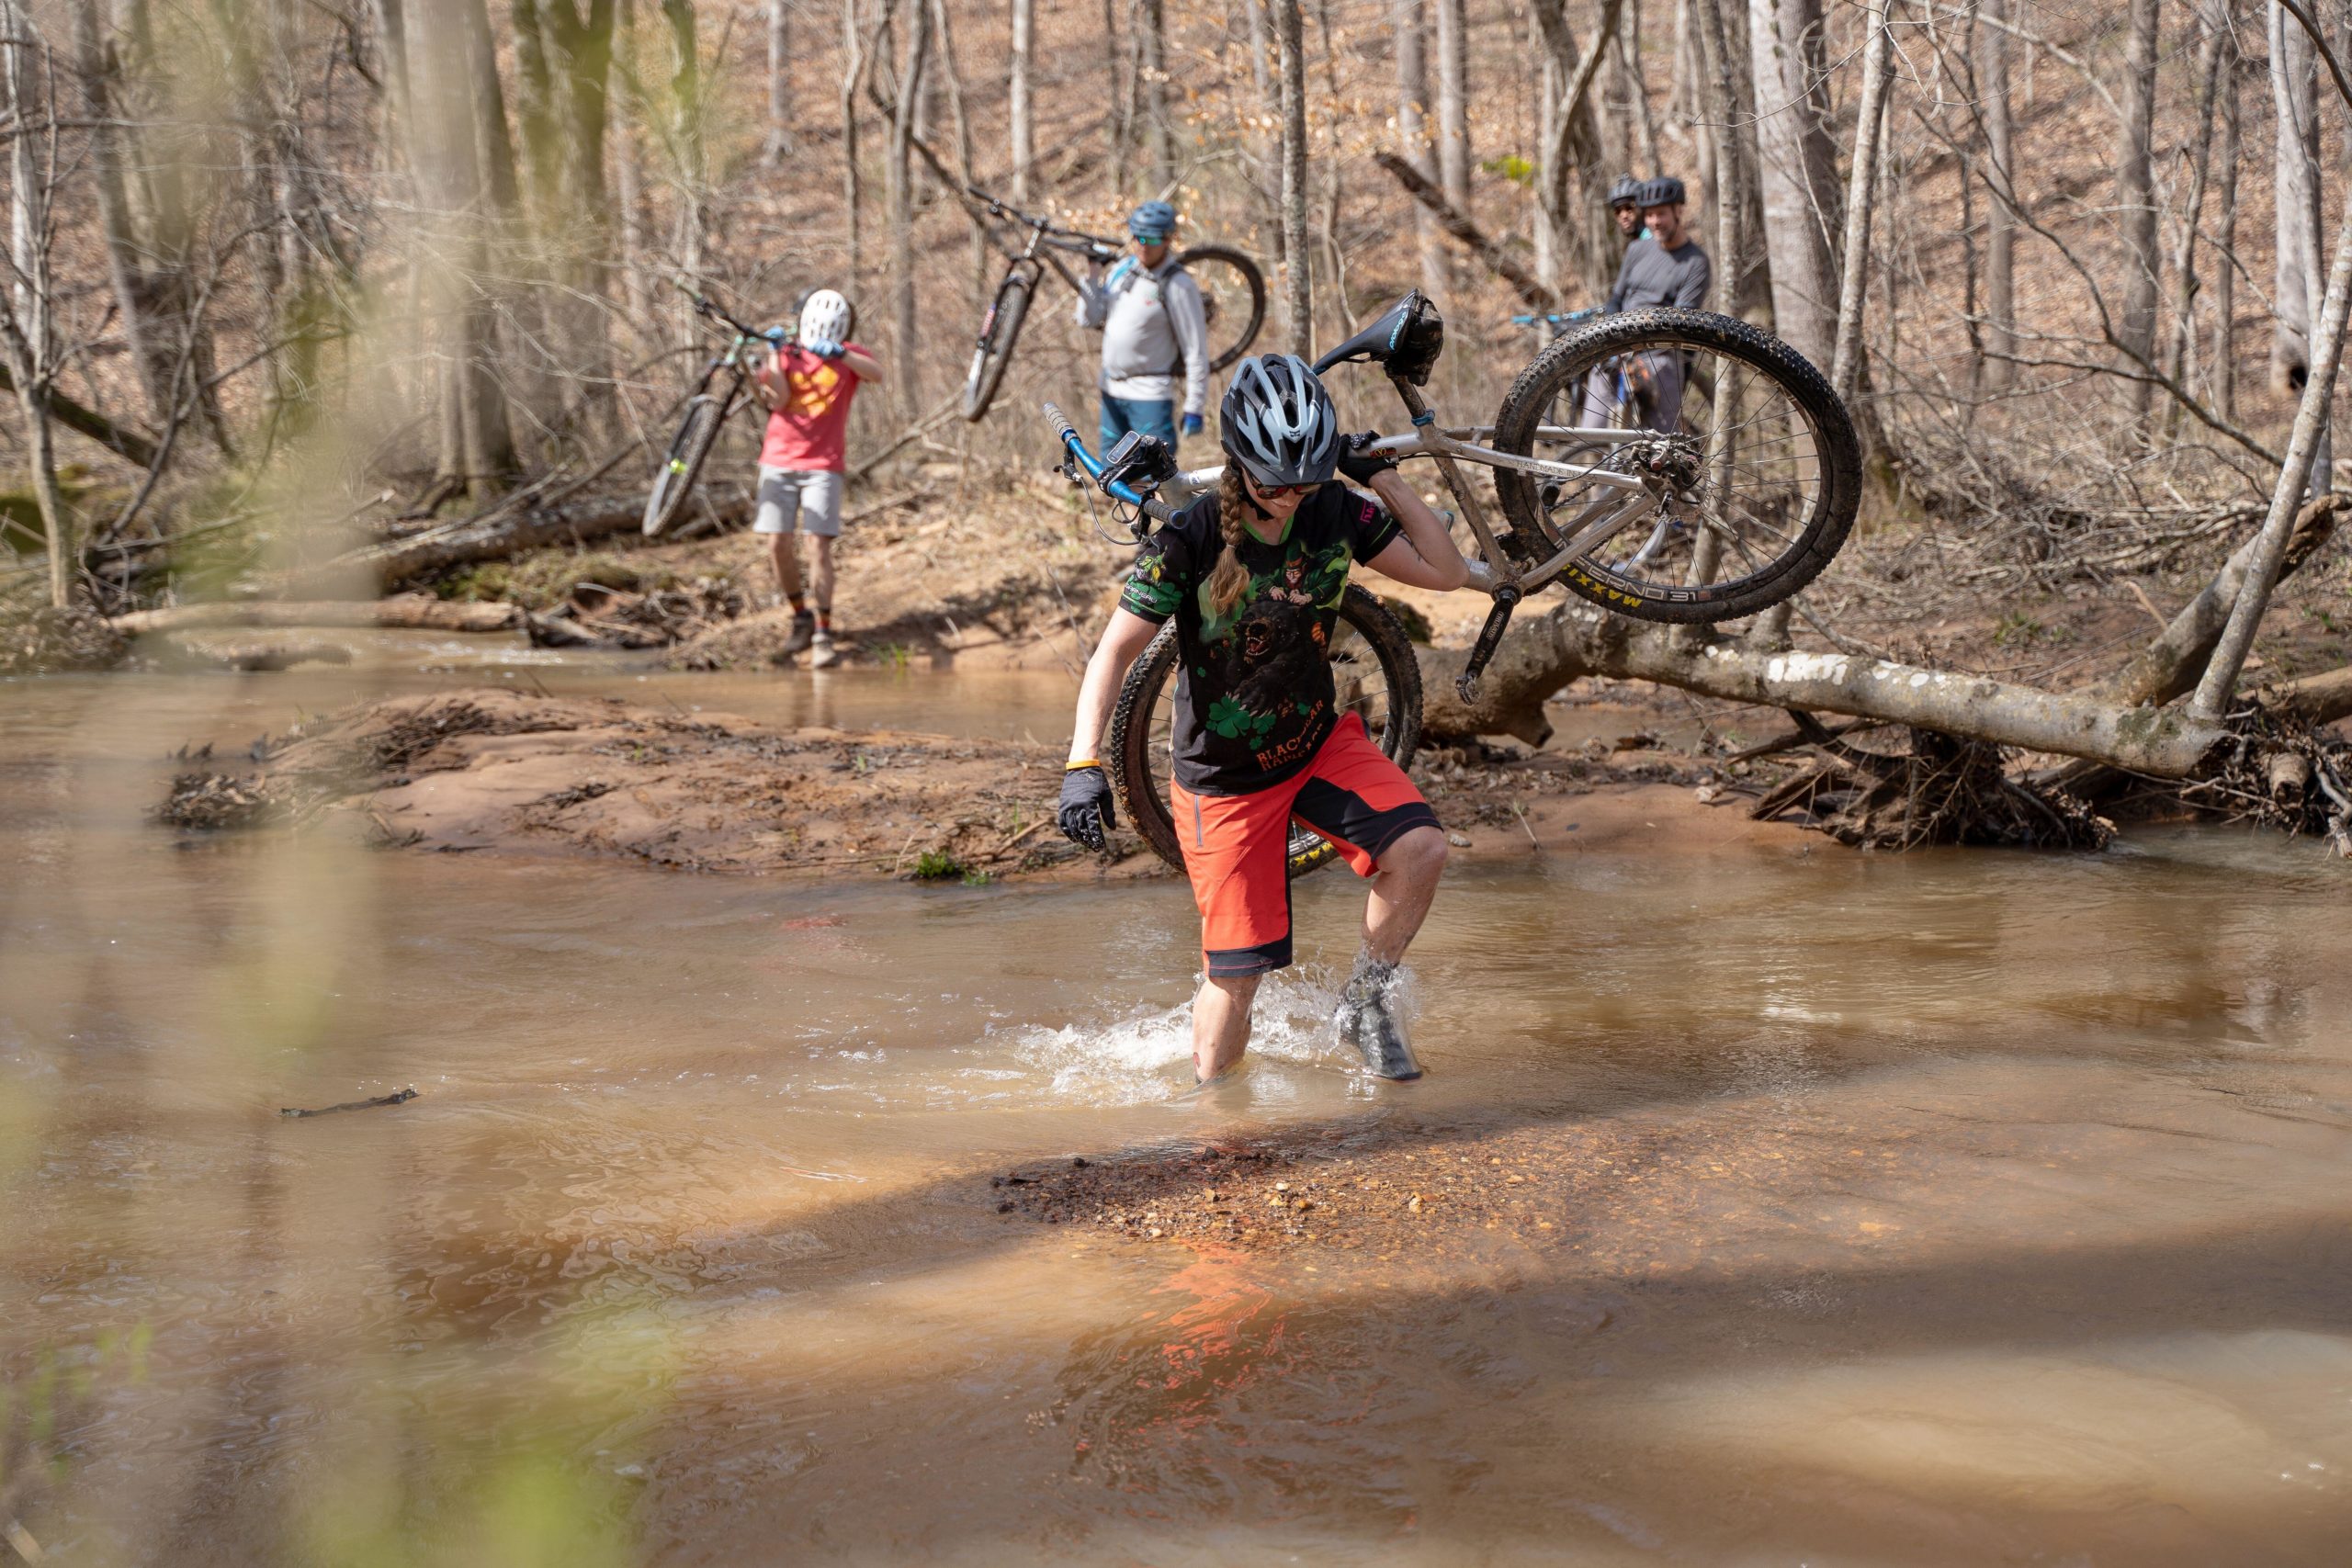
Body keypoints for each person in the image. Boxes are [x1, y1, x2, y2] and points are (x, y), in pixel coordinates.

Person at [1055, 355, 1473, 1085]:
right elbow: (1111, 657)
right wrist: (1082, 764)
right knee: (1236, 983)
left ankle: (1364, 1004)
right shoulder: (1189, 538)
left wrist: (1381, 476)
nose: (1289, 499)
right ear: (1239, 465)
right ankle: (1214, 1123)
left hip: (1316, 746)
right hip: (1224, 783)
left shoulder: (1335, 511)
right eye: (1274, 483)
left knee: (1423, 849)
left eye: (1306, 481)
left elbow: (1447, 573)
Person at [752, 288, 883, 669]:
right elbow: (775, 399)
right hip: (779, 459)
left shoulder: (849, 357)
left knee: (818, 545)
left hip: (824, 464)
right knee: (777, 543)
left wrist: (842, 353)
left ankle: (824, 630)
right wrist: (775, 356)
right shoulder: (787, 353)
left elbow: (877, 374)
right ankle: (800, 617)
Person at [1074, 199, 1210, 460]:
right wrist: (1092, 274)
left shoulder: (1178, 285)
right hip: (1112, 390)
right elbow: (1088, 319)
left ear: (1168, 239)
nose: (1143, 246)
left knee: (1155, 479)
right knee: (1112, 479)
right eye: (1138, 237)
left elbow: (1196, 349)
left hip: (1150, 395)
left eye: (1152, 239)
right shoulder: (1121, 270)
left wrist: (1195, 406)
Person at [1590, 175, 1712, 432]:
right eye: (1650, 215)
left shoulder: (1696, 262)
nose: (1655, 222)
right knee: (1592, 432)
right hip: (1619, 346)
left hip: (1661, 353)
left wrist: (1639, 348)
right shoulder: (1637, 249)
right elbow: (1616, 298)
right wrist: (1613, 338)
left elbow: (1681, 321)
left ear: (1679, 210)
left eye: (1662, 214)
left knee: (1661, 446)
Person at [1606, 174, 1646, 251]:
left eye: (1629, 208)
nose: (1624, 215)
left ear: (1643, 208)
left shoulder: (1654, 241)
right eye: (1618, 211)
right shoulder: (1634, 244)